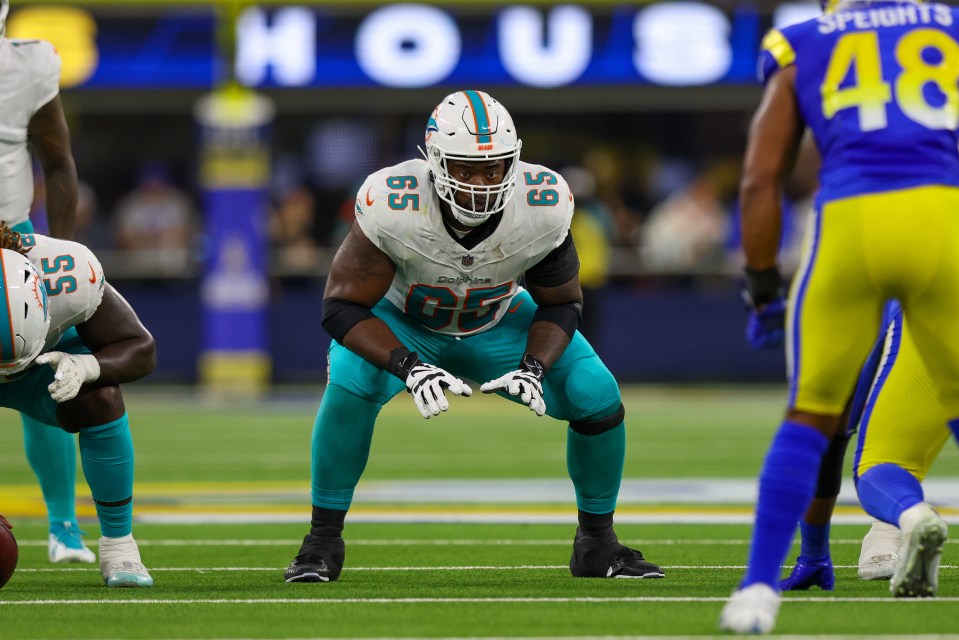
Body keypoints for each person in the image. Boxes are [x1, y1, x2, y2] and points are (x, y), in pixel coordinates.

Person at [283, 90, 664, 583]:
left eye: (494, 168)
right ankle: (320, 544)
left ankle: (597, 544)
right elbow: (341, 305)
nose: (482, 183)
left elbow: (562, 301)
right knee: (353, 379)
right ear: (436, 161)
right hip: (403, 321)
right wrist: (407, 365)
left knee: (596, 393)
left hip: (496, 318)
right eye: (466, 169)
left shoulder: (544, 203)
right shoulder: (394, 201)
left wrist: (534, 367)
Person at [720, 0, 959, 633]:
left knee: (810, 416)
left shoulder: (803, 39)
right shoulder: (949, 24)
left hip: (851, 225)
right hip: (941, 221)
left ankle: (756, 593)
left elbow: (759, 178)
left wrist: (762, 285)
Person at [0, 0, 100, 564]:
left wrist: (61, 252)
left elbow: (58, 164)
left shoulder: (27, 67)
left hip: (13, 246)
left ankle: (66, 528)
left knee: (54, 372)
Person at [0, 224, 155, 586]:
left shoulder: (65, 271)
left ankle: (119, 546)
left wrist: (87, 366)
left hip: (39, 368)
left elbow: (140, 347)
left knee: (100, 395)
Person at [772, 301, 950, 593]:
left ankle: (910, 517)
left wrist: (813, 555)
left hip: (926, 319)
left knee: (879, 469)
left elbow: (828, 436)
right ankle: (887, 530)